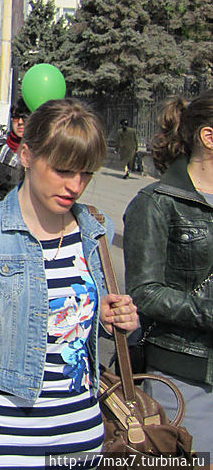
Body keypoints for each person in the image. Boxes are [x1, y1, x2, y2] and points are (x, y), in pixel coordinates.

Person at [0, 99, 139, 469]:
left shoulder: (93, 234)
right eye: (62, 170)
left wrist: (110, 320)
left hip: (80, 439)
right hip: (0, 442)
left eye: (86, 174)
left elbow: (73, 329)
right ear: (26, 155)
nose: (75, 186)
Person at [123, 91, 213, 456]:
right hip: (184, 380)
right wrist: (208, 311)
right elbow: (144, 292)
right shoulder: (157, 202)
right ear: (209, 136)